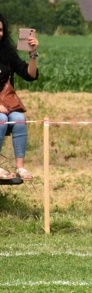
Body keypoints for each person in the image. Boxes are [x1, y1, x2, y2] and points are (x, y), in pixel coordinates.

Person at [0, 13, 38, 185]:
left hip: (7, 104)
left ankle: (20, 166)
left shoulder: (7, 54)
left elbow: (29, 74)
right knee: (1, 119)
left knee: (19, 118)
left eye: (0, 30)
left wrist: (33, 54)